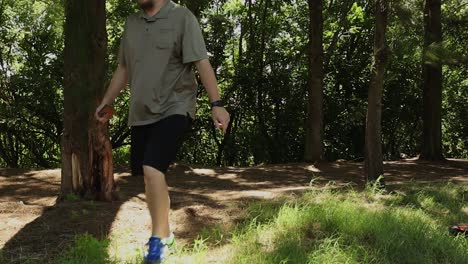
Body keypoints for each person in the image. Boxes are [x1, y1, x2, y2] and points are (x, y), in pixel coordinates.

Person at [94, 0, 230, 262]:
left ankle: (157, 243)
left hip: (175, 106)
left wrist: (217, 105)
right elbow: (123, 68)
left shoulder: (182, 17)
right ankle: (165, 235)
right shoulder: (132, 23)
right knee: (149, 176)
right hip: (142, 112)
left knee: (152, 168)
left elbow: (201, 62)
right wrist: (107, 101)